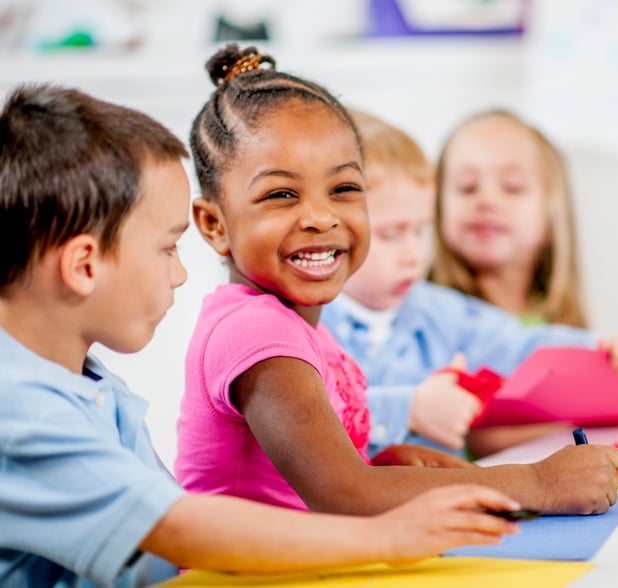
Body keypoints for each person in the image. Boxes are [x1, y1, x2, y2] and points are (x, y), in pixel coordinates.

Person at [0, 83, 529, 588]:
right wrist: (382, 534)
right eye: (167, 249)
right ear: (85, 265)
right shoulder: (21, 412)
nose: (180, 274)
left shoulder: (81, 382)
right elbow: (177, 529)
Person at [176, 43, 618, 521]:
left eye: (344, 188)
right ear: (214, 225)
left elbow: (320, 481)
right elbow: (346, 494)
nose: (321, 217)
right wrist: (538, 483)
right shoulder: (257, 334)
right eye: (282, 194)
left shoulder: (302, 328)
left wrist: (385, 464)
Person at [321, 110, 618, 459]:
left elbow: (518, 345)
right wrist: (408, 409)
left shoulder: (438, 310)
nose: (414, 255)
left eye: (421, 231)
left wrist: (604, 350)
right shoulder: (307, 323)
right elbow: (303, 414)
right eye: (392, 234)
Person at [430, 109, 588, 327]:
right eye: (467, 187)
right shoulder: (422, 320)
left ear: (552, 215)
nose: (486, 200)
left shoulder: (563, 332)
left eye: (513, 187)